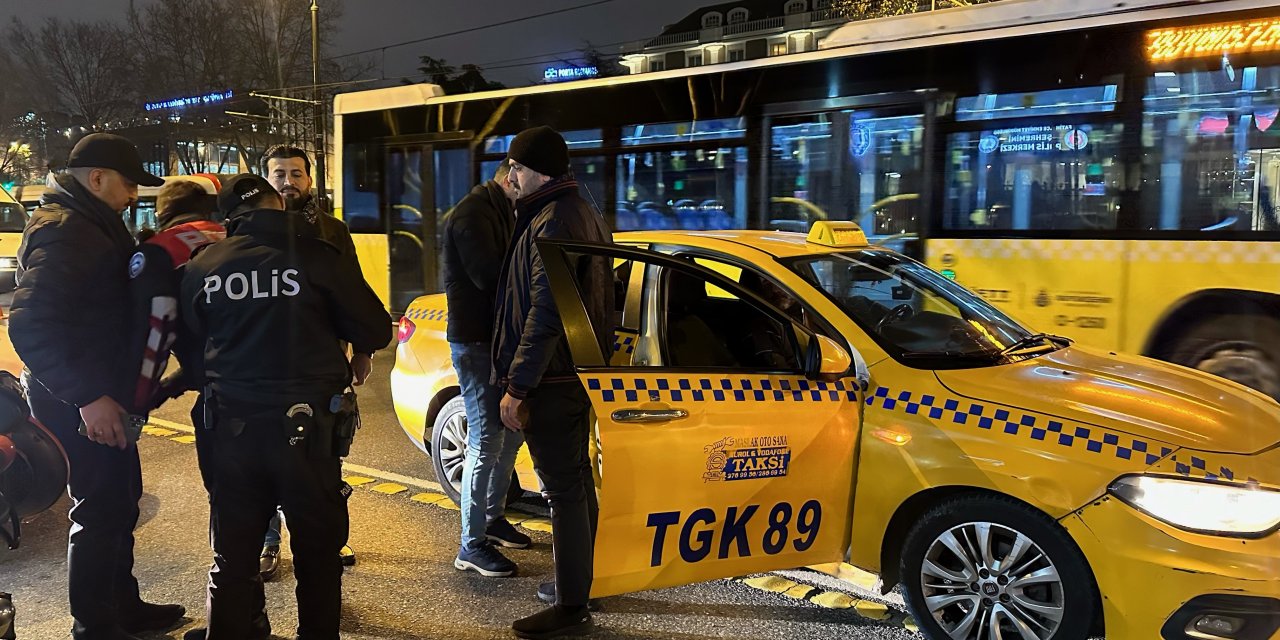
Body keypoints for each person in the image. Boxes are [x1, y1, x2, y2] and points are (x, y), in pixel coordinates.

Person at [180, 174, 390, 640]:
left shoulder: (203, 266)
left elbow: (189, 345)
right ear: (280, 206)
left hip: (231, 430)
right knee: (317, 555)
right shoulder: (318, 258)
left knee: (233, 558)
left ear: (229, 217)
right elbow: (375, 329)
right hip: (307, 432)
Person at [9, 133, 185, 640]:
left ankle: (120, 606)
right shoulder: (68, 230)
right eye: (128, 184)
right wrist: (87, 397)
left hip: (99, 393)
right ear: (98, 178)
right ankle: (95, 625)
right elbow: (31, 325)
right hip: (81, 400)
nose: (133, 196)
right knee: (98, 505)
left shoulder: (89, 222)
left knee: (119, 499)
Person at [492, 126, 614, 639]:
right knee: (576, 483)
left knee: (563, 490)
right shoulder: (575, 208)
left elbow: (545, 312)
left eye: (516, 167)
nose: (510, 177)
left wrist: (518, 387)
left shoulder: (553, 218)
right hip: (569, 373)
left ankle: (571, 608)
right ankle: (583, 585)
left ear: (536, 169)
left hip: (553, 378)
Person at [260, 144, 365, 576]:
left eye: (297, 173)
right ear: (267, 178)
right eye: (280, 173)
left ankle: (328, 540)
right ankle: (267, 543)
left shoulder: (333, 231)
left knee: (324, 458)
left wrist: (363, 350)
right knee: (266, 461)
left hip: (323, 368)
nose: (289, 181)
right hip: (264, 369)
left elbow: (355, 293)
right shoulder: (248, 230)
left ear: (310, 178)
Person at [444, 163, 526, 578]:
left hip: (496, 340)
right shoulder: (473, 213)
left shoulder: (501, 210)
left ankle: (492, 520)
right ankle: (471, 545)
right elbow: (488, 277)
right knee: (486, 437)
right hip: (476, 341)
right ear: (511, 177)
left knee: (510, 430)